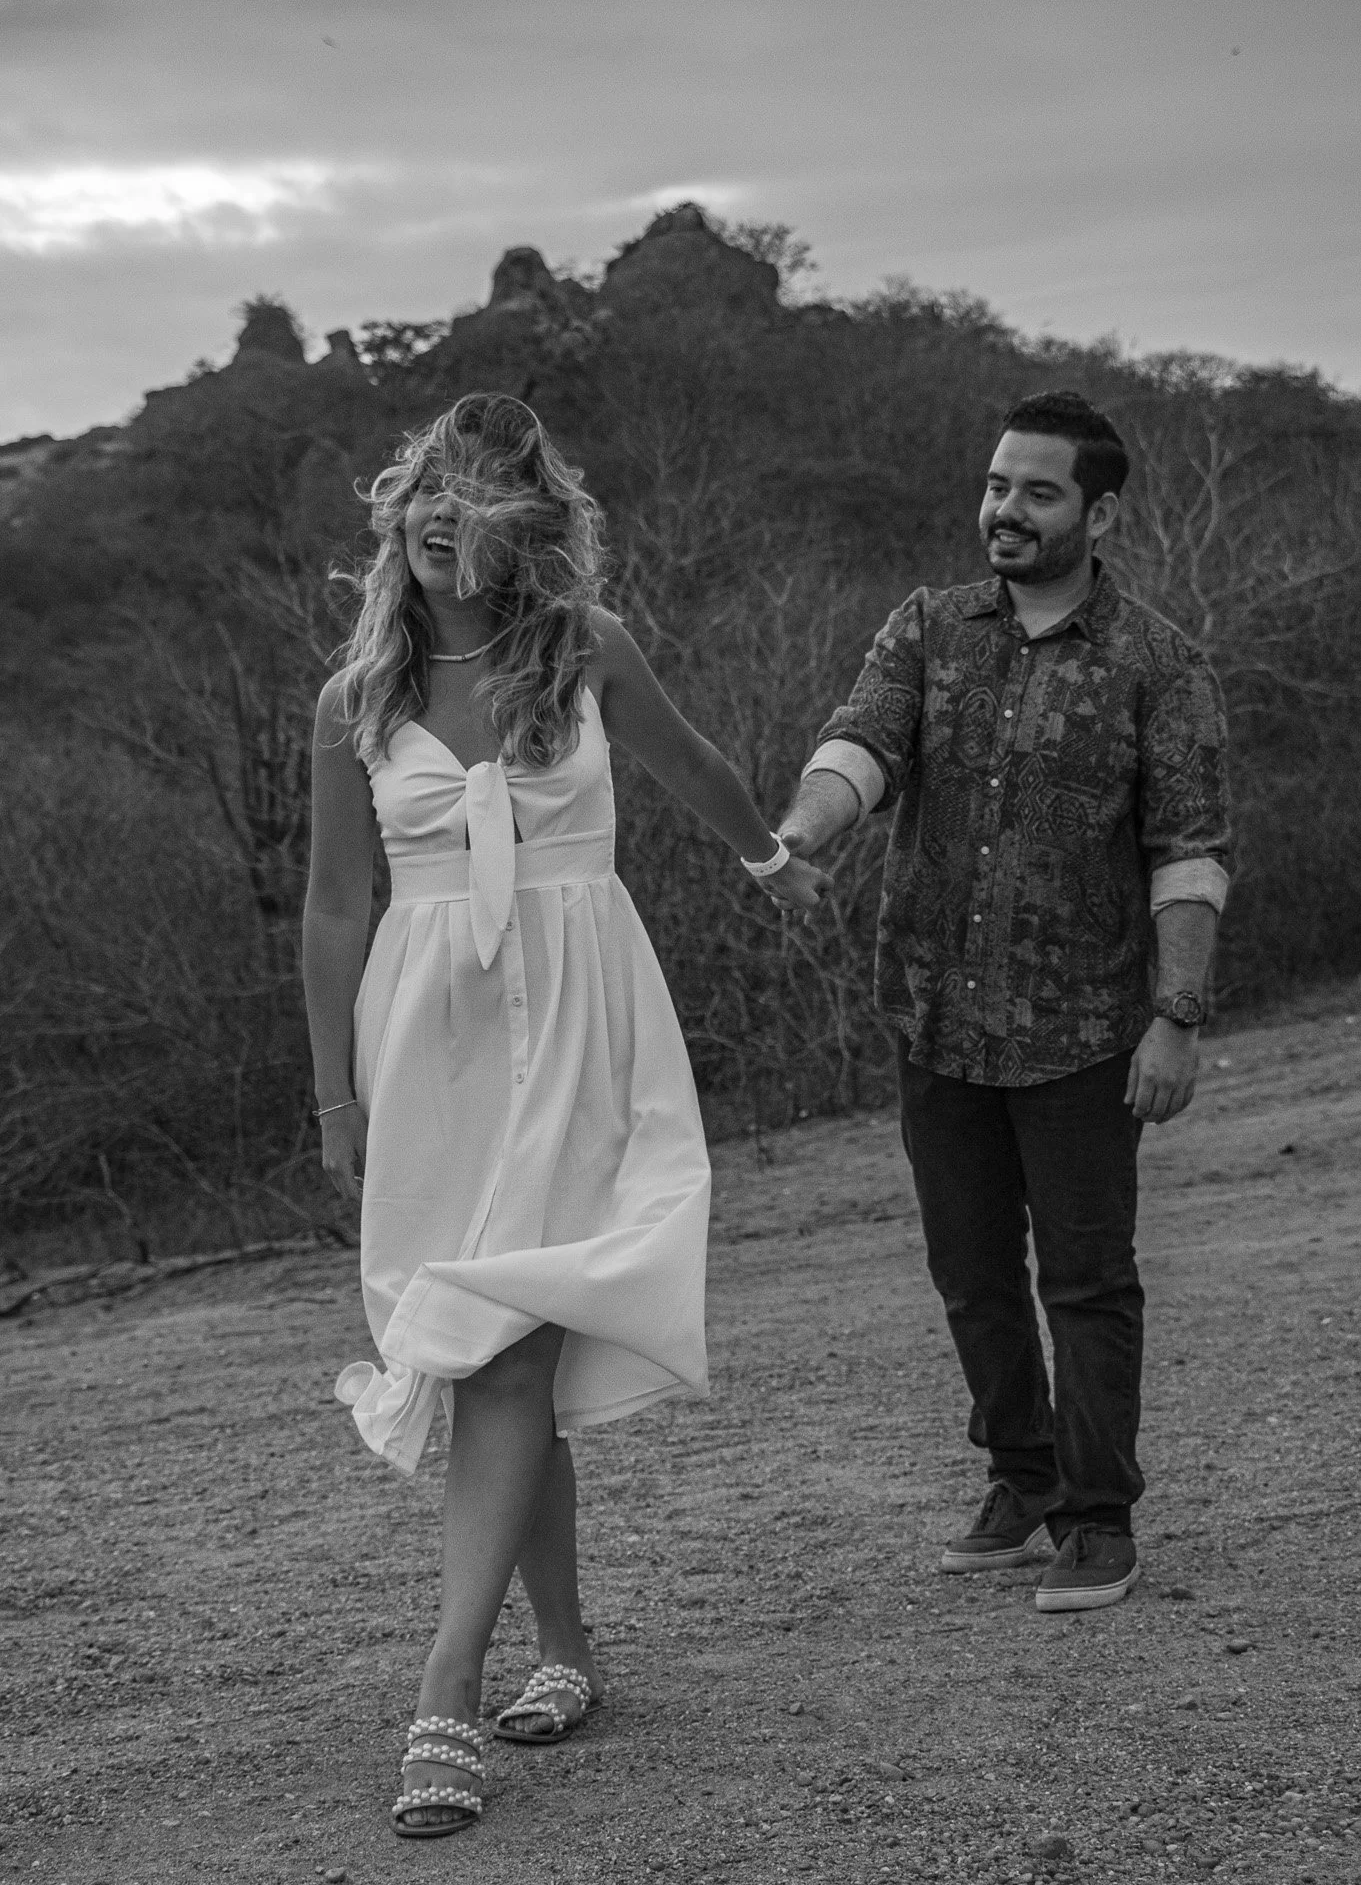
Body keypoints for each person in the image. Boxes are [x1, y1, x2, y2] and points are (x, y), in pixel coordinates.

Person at [302, 392, 828, 1838]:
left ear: (524, 530)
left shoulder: (590, 656)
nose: (438, 515)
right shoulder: (357, 703)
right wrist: (334, 1097)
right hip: (429, 1053)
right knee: (492, 1359)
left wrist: (771, 859)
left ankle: (444, 1689)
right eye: (423, 491)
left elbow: (700, 769)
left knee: (516, 1351)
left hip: (583, 1029)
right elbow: (338, 906)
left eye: (472, 496)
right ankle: (572, 1653)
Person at [773, 391, 1230, 1612]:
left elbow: (1187, 849)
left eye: (1035, 491)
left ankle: (1097, 1513)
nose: (1005, 510)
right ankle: (1021, 1475)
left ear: (1098, 510)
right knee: (970, 1271)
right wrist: (800, 830)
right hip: (936, 1016)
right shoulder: (927, 629)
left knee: (1084, 1280)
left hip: (1083, 1029)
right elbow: (858, 746)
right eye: (994, 486)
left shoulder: (1157, 661)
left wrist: (1174, 1013)